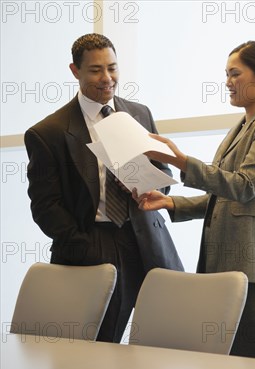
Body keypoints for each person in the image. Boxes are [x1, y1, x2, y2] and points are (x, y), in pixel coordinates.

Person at [136, 40, 255, 358]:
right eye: (226, 74)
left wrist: (181, 161)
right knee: (221, 367)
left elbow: (244, 187)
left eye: (235, 73)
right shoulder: (241, 126)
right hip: (225, 267)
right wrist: (171, 202)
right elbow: (224, 197)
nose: (227, 82)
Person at [24, 33, 184, 343]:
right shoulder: (48, 132)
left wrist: (147, 182)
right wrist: (83, 242)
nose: (107, 78)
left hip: (149, 237)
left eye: (112, 67)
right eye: (96, 70)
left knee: (167, 340)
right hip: (92, 243)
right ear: (75, 71)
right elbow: (45, 206)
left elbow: (162, 170)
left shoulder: (139, 113)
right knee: (99, 344)